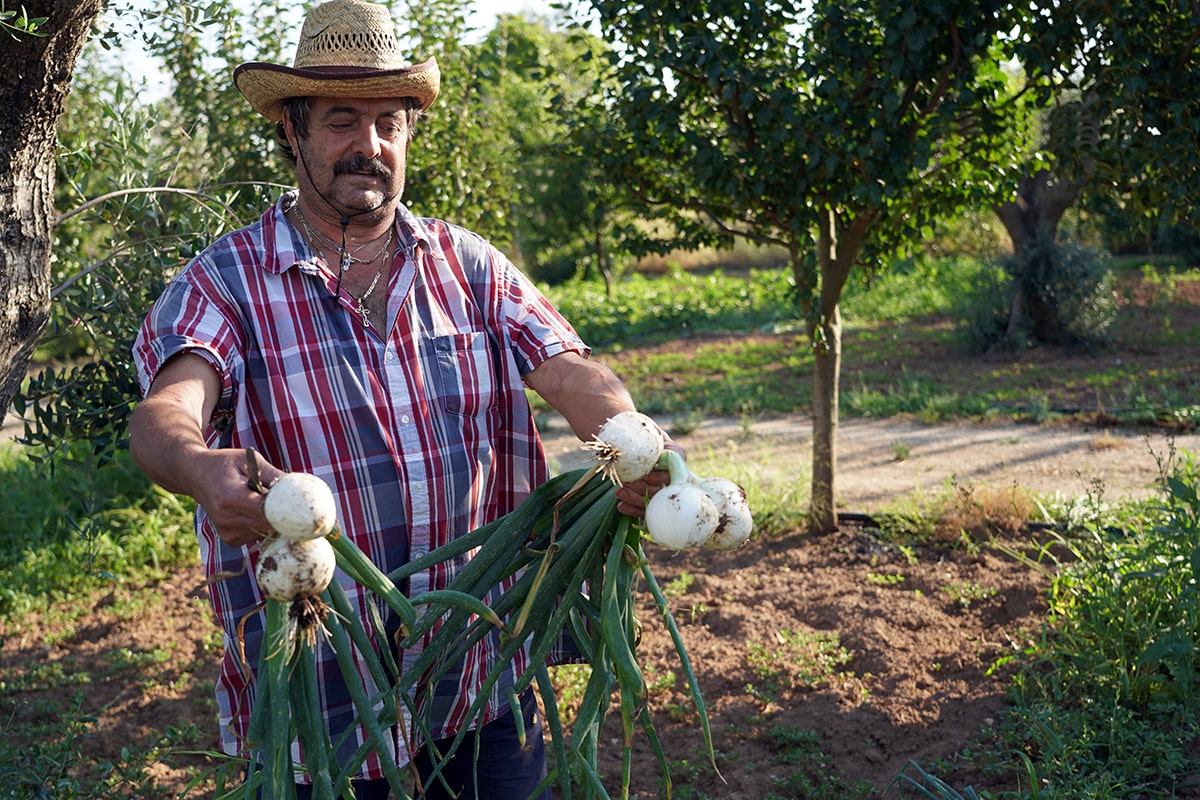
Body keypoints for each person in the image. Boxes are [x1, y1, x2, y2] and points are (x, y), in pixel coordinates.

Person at [127, 1, 678, 798]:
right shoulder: (226, 281)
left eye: (390, 121)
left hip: (479, 656)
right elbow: (165, 414)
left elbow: (568, 371)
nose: (370, 146)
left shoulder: (470, 265)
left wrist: (628, 439)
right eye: (343, 121)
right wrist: (198, 466)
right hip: (322, 677)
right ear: (292, 130)